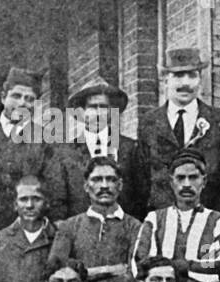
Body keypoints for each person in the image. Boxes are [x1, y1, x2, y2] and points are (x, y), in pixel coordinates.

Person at [134, 153, 220, 282]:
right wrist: (191, 273)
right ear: (171, 182)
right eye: (181, 178)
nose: (187, 184)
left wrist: (178, 267)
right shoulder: (155, 219)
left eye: (193, 177)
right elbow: (140, 263)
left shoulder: (216, 221)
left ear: (204, 181)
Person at [139, 47, 220, 212]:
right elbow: (142, 179)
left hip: (209, 217)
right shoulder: (149, 122)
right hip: (163, 218)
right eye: (178, 75)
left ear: (200, 80)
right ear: (165, 80)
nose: (185, 83)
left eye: (192, 75)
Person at [0, 66, 59, 232]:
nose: (22, 103)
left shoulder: (45, 140)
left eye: (29, 99)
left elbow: (53, 189)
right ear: (2, 97)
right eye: (16, 96)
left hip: (30, 231)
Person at [49, 156, 144, 282]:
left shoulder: (135, 227)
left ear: (120, 186)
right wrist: (109, 269)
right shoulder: (69, 227)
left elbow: (131, 279)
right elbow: (56, 272)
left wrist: (83, 277)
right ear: (86, 186)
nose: (105, 186)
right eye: (97, 179)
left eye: (111, 180)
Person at [49, 77, 151, 219]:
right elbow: (58, 202)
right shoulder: (64, 153)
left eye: (103, 107)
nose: (97, 113)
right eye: (92, 107)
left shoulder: (130, 148)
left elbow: (141, 197)